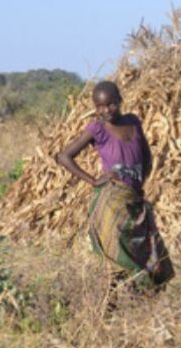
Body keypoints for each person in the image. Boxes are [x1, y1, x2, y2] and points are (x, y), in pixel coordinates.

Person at [56, 81, 173, 285]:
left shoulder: (133, 122)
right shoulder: (97, 129)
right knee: (119, 248)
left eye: (111, 104)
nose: (106, 110)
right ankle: (123, 293)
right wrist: (93, 180)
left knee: (152, 252)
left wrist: (140, 183)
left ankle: (142, 295)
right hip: (112, 198)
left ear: (120, 101)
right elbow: (65, 156)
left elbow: (146, 157)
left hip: (134, 197)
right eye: (99, 106)